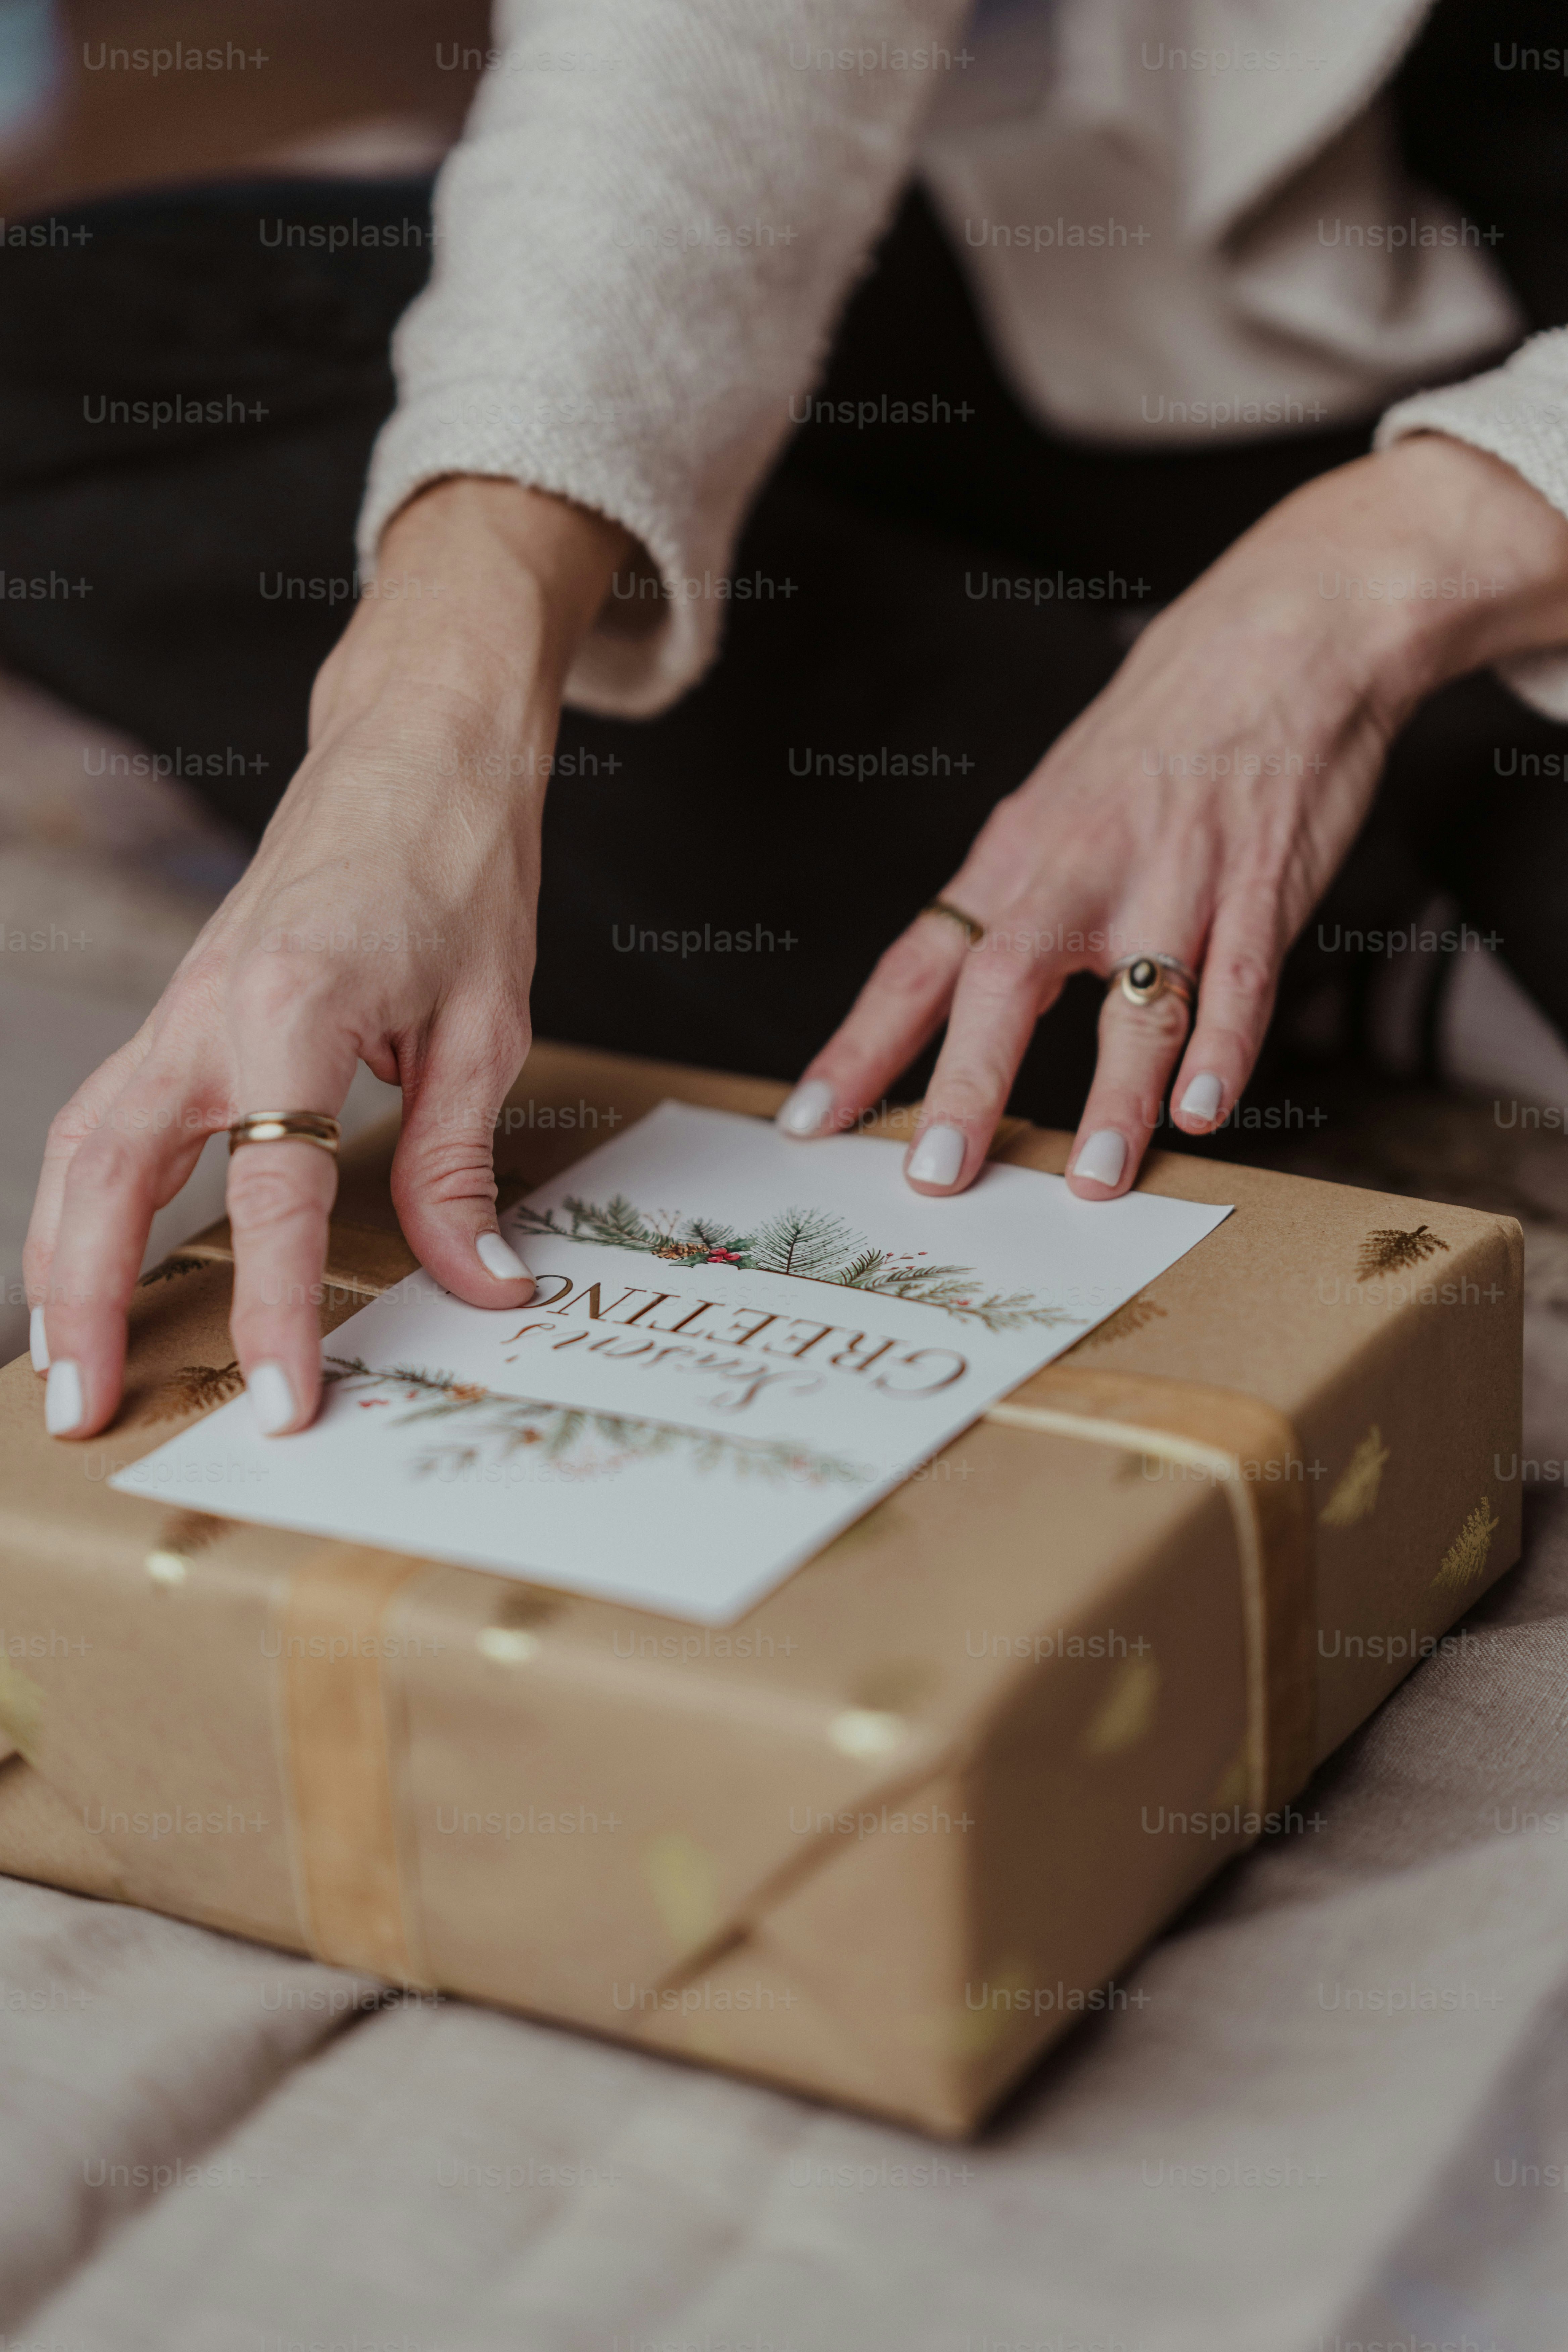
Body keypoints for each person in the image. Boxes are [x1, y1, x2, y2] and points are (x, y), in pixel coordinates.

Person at [20, 0, 1568, 1443]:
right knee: (66, 360)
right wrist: (418, 723)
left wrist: (1323, 608)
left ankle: (1319, 884)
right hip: (1309, 283)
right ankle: (1218, 856)